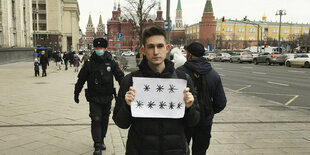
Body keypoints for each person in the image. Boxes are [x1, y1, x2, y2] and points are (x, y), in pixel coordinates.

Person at [113, 25, 200, 155]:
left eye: (160, 46)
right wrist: (127, 105)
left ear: (167, 48)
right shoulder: (131, 81)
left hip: (175, 150)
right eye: (151, 47)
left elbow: (194, 121)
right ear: (143, 50)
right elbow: (121, 123)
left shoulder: (183, 80)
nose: (156, 52)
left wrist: (189, 107)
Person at [74, 38, 124, 155]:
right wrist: (76, 92)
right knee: (96, 119)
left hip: (107, 97)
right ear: (94, 49)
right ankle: (97, 145)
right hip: (94, 97)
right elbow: (81, 79)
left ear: (105, 49)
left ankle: (101, 139)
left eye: (101, 48)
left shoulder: (111, 62)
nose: (99, 50)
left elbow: (120, 77)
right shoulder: (89, 64)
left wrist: (126, 88)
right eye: (97, 48)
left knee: (105, 120)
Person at [176, 42, 227, 155]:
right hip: (205, 121)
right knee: (200, 151)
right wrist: (208, 110)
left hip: (184, 120)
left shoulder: (179, 73)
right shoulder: (214, 74)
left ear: (189, 55)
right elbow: (221, 103)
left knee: (181, 151)